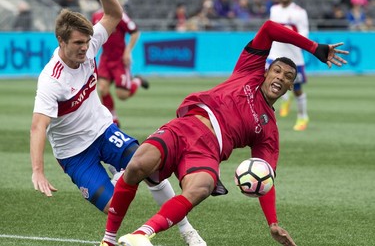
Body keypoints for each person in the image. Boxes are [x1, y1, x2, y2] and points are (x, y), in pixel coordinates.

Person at [99, 20, 348, 246]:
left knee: (202, 186)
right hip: (186, 127)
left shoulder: (268, 130)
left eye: (288, 77)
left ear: (290, 87)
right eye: (278, 71)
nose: (281, 77)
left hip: (207, 151)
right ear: (266, 72)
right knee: (137, 166)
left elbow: (266, 175)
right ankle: (108, 241)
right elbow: (270, 28)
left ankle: (141, 234)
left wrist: (272, 222)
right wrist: (314, 48)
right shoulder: (249, 71)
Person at [29, 0, 206, 246]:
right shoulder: (52, 80)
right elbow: (39, 126)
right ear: (61, 41)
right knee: (114, 205)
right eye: (77, 43)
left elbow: (113, 15)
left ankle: (187, 231)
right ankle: (119, 184)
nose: (84, 49)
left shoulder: (90, 46)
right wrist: (38, 169)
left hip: (103, 129)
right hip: (74, 154)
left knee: (151, 167)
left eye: (87, 42)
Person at [92, 2, 148, 127]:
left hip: (120, 60)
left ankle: (137, 81)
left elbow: (135, 32)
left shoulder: (120, 15)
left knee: (122, 95)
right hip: (106, 58)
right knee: (102, 88)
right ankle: (113, 118)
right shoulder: (96, 16)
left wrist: (127, 51)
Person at [267, 0, 310, 131]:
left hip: (294, 59)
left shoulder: (299, 12)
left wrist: (288, 36)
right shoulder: (274, 10)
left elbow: (304, 35)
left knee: (297, 89)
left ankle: (303, 116)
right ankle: (270, 120)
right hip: (274, 56)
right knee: (266, 86)